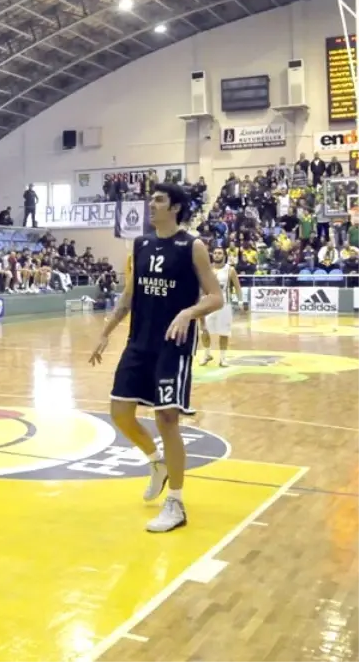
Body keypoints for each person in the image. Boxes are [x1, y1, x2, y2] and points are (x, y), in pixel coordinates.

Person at [90, 183, 224, 533]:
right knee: (119, 412)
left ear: (176, 207)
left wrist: (188, 313)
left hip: (173, 344)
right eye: (151, 200)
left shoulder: (192, 246)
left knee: (167, 419)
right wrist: (106, 332)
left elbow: (216, 297)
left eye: (159, 200)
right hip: (140, 341)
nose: (152, 205)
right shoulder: (141, 243)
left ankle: (176, 504)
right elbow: (129, 295)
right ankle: (155, 463)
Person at [199, 247, 241, 366]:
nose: (217, 255)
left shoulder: (230, 270)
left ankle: (223, 358)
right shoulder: (207, 269)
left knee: (224, 332)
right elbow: (202, 287)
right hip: (208, 303)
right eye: (215, 253)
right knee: (204, 330)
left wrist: (240, 301)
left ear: (224, 255)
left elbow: (237, 287)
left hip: (224, 304)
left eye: (220, 253)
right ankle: (206, 354)